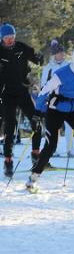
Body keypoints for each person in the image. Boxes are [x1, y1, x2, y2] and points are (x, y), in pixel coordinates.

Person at [26, 46, 74, 192]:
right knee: (51, 146)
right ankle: (33, 177)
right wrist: (38, 112)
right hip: (56, 109)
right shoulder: (62, 74)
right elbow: (44, 91)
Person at [0, 22, 44, 177]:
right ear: (2, 38)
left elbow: (35, 56)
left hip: (22, 91)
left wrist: (39, 58)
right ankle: (8, 161)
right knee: (10, 127)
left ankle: (36, 154)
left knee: (36, 120)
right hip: (6, 95)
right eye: (7, 38)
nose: (10, 40)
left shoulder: (21, 47)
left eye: (12, 37)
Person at [41, 40, 74, 158]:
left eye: (62, 52)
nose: (61, 54)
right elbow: (43, 84)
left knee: (69, 124)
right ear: (54, 54)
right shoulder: (48, 68)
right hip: (53, 99)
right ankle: (53, 150)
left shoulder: (68, 64)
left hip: (67, 97)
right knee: (53, 126)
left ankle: (70, 149)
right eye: (59, 52)